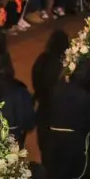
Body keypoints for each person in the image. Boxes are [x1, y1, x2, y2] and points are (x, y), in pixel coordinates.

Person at [31, 29, 69, 170]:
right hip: (58, 109)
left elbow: (35, 77)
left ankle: (47, 166)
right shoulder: (64, 63)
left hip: (44, 106)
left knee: (45, 139)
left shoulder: (42, 59)